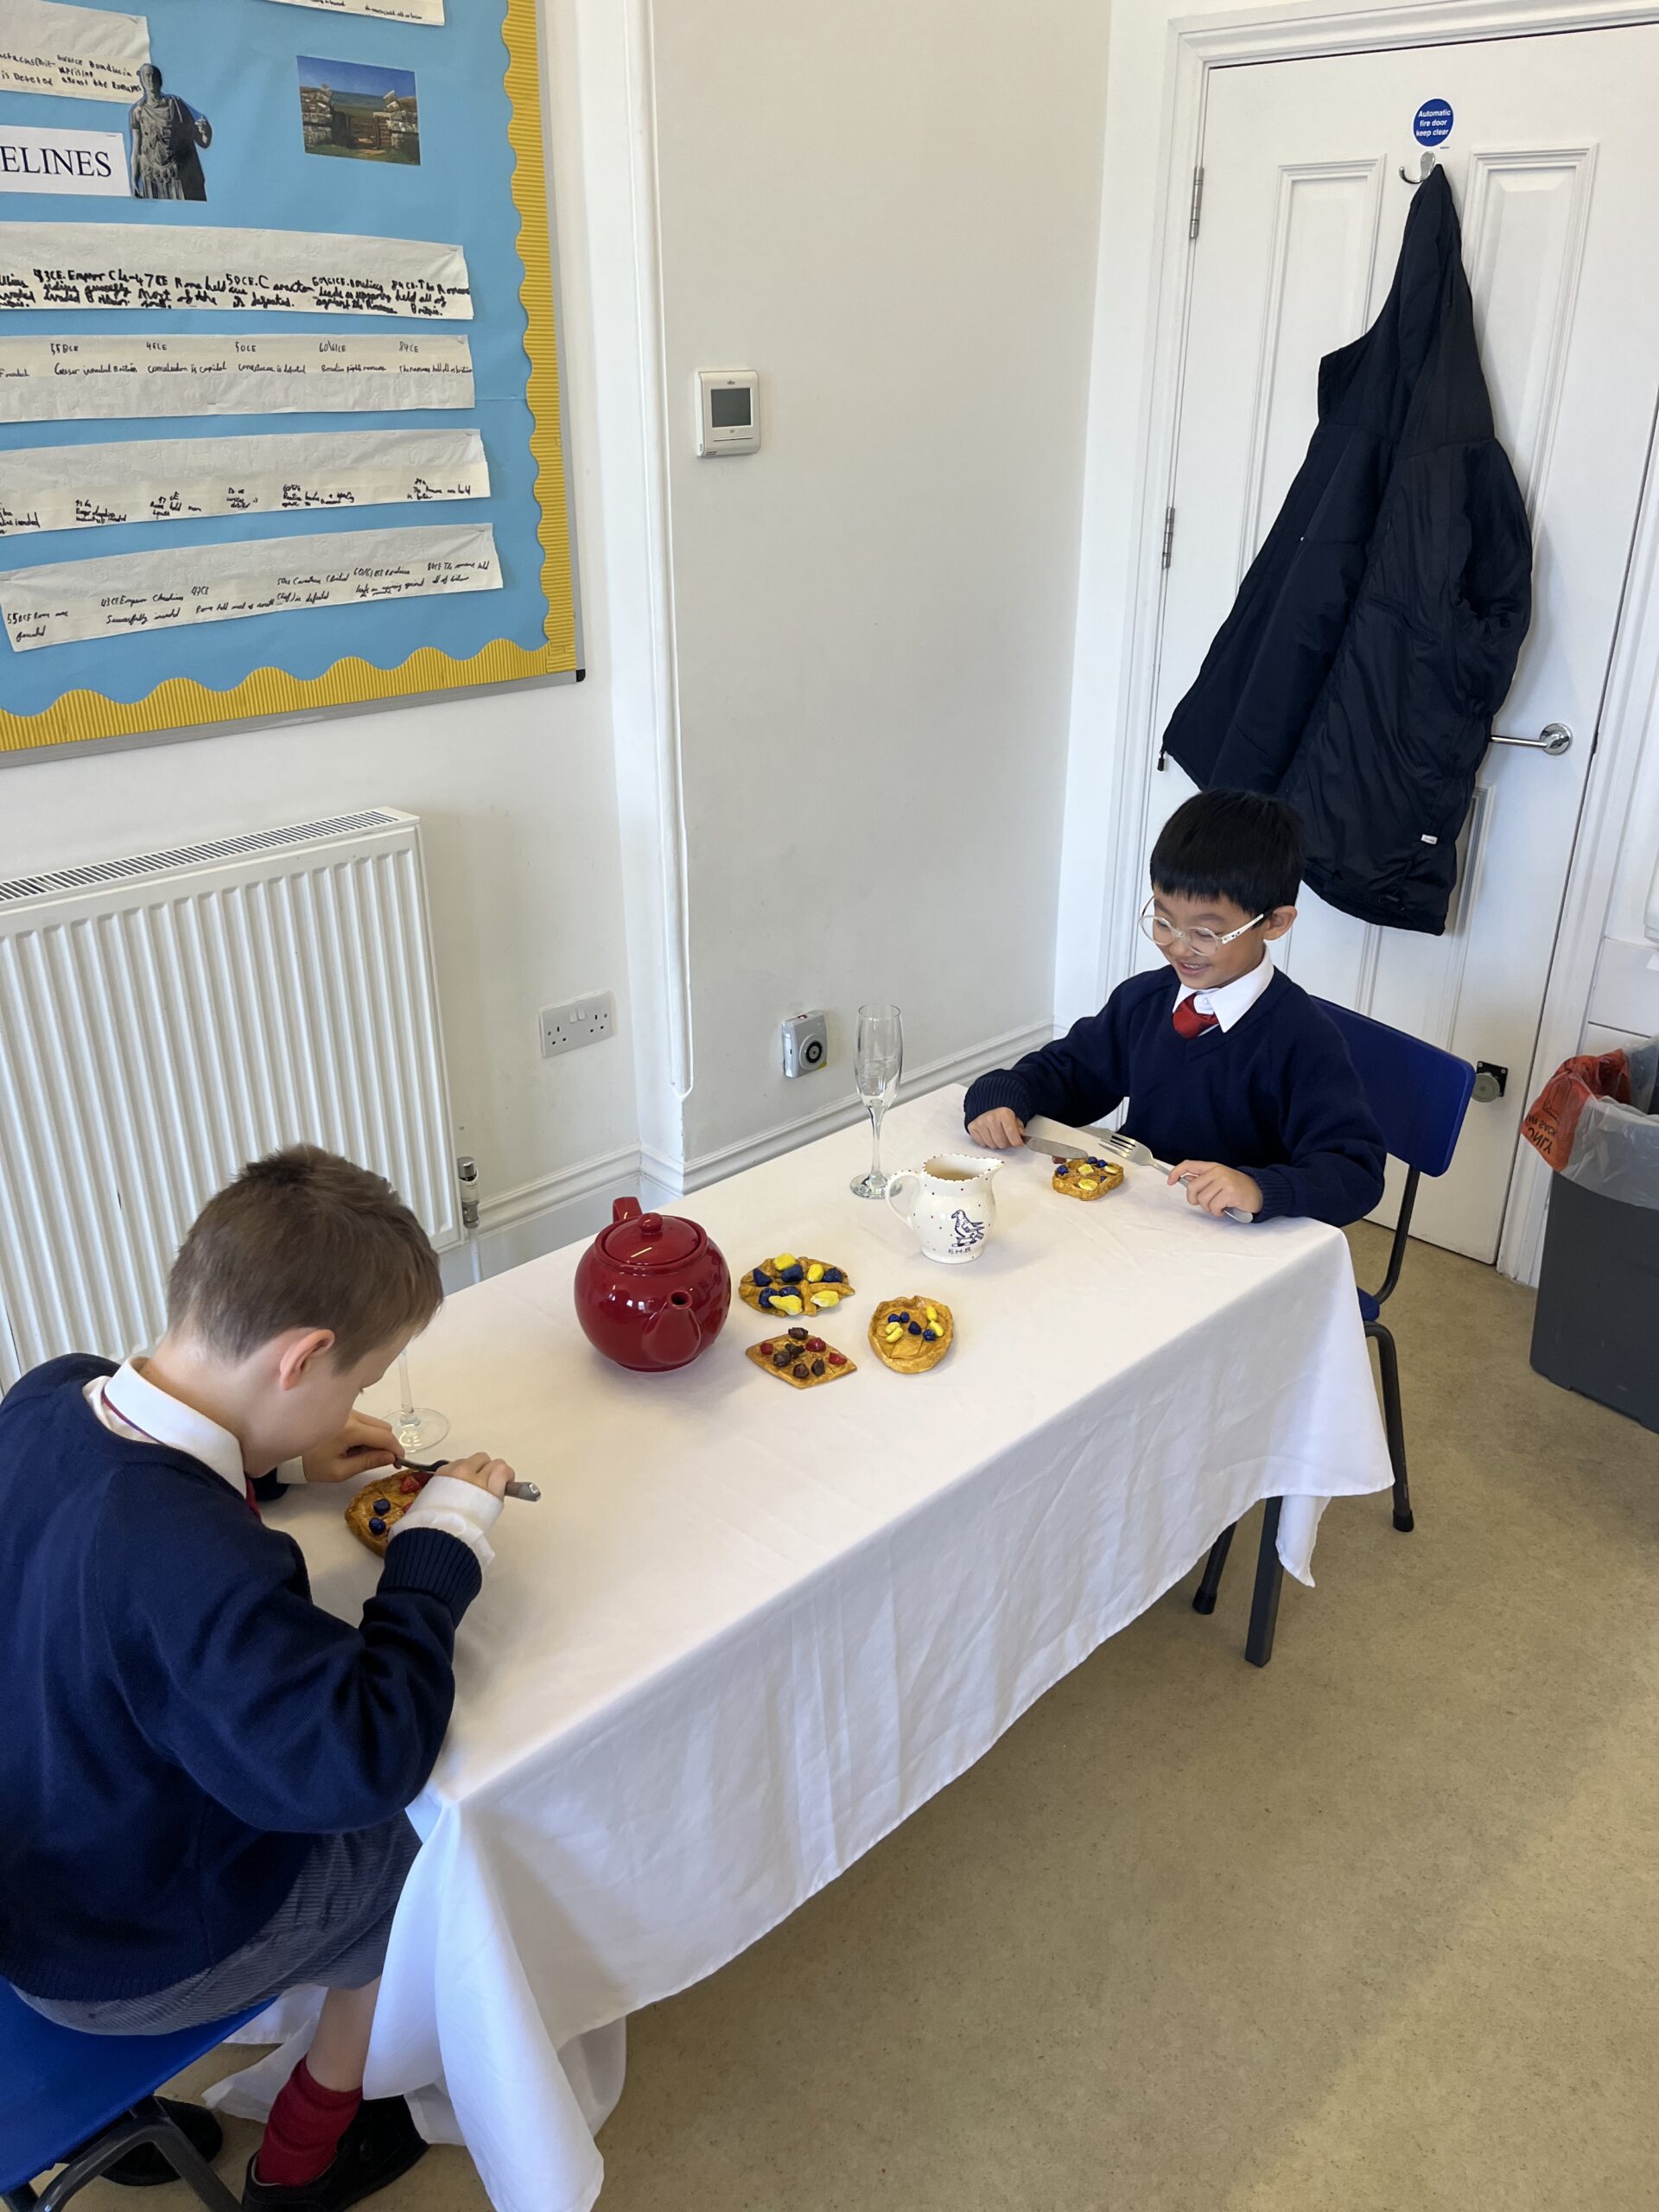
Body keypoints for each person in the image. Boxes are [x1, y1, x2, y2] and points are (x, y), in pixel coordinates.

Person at [0, 1148, 515, 2212]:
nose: (355, 1404)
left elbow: (119, 1521)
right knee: (432, 1845)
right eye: (357, 1383)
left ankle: (115, 2121)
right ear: (302, 1356)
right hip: (111, 1949)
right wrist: (435, 1557)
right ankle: (305, 2154)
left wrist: (266, 1463)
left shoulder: (46, 1395)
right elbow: (362, 1760)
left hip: (36, 1854)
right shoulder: (189, 1560)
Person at [964, 790, 1385, 1227]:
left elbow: (1355, 1172)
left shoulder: (1304, 1038)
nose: (1178, 947)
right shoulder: (1144, 1001)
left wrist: (1261, 1188)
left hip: (1234, 1239)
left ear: (1274, 923)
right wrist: (1005, 1097)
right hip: (1140, 1215)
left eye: (1205, 934)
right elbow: (1070, 1075)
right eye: (1163, 922)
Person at [129, 63, 212, 200]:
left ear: (160, 80)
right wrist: (134, 179)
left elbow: (202, 141)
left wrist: (207, 131)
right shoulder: (138, 112)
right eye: (147, 76)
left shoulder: (175, 104)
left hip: (179, 173)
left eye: (154, 76)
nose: (150, 79)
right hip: (152, 175)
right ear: (142, 81)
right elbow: (136, 150)